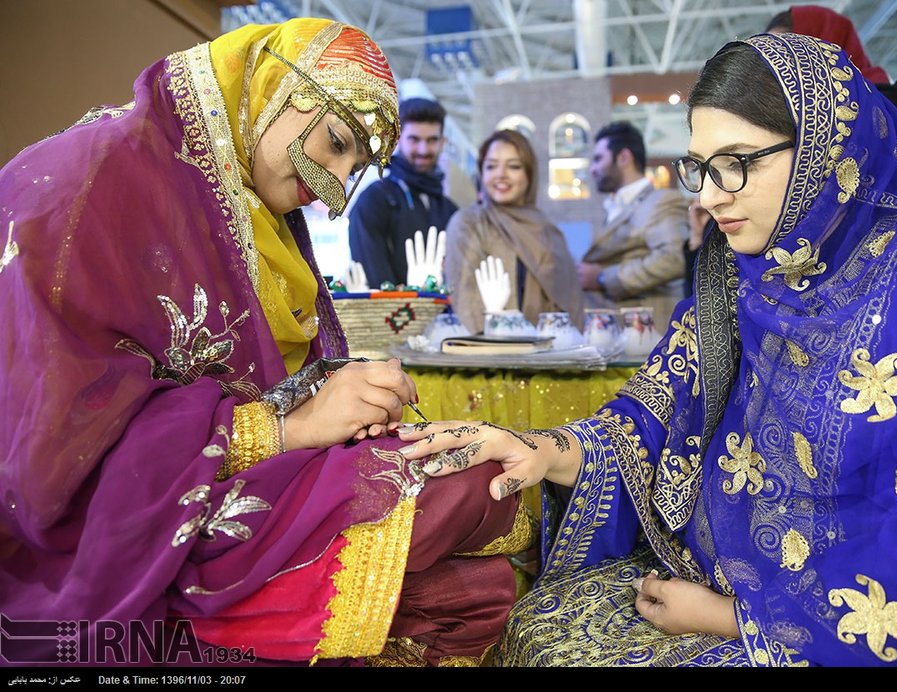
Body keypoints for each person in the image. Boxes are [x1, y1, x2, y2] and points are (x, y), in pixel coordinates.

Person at [397, 31, 897, 666]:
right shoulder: (751, 270)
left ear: (823, 150)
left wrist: (736, 620)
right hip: (719, 574)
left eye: (736, 162)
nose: (709, 195)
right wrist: (544, 450)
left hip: (847, 624)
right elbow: (656, 413)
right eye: (701, 167)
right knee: (532, 624)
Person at [0, 18, 533, 668]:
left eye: (356, 167)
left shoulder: (252, 202)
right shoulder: (91, 181)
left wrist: (337, 392)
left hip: (224, 472)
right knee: (459, 517)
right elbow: (51, 456)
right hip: (125, 522)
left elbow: (261, 375)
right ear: (278, 87)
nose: (335, 190)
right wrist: (288, 428)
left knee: (476, 500)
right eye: (337, 143)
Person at [443, 128, 584, 334]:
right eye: (491, 166)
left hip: (553, 349)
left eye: (514, 166)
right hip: (492, 347)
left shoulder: (547, 230)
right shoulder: (469, 223)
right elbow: (465, 301)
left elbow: (571, 302)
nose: (501, 174)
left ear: (529, 174)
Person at [576, 121, 689, 334]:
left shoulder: (663, 201)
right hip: (618, 331)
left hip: (649, 334)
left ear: (623, 158)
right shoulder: (614, 207)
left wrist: (602, 277)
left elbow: (672, 259)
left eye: (598, 159)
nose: (592, 169)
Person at [765, 5, 897, 142]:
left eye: (783, 53)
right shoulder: (792, 115)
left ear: (823, 48)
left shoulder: (891, 101)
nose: (774, 66)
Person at [348, 97, 459, 288]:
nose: (423, 150)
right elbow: (376, 281)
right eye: (414, 139)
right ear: (397, 141)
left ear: (443, 142)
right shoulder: (375, 201)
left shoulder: (449, 209)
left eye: (432, 140)